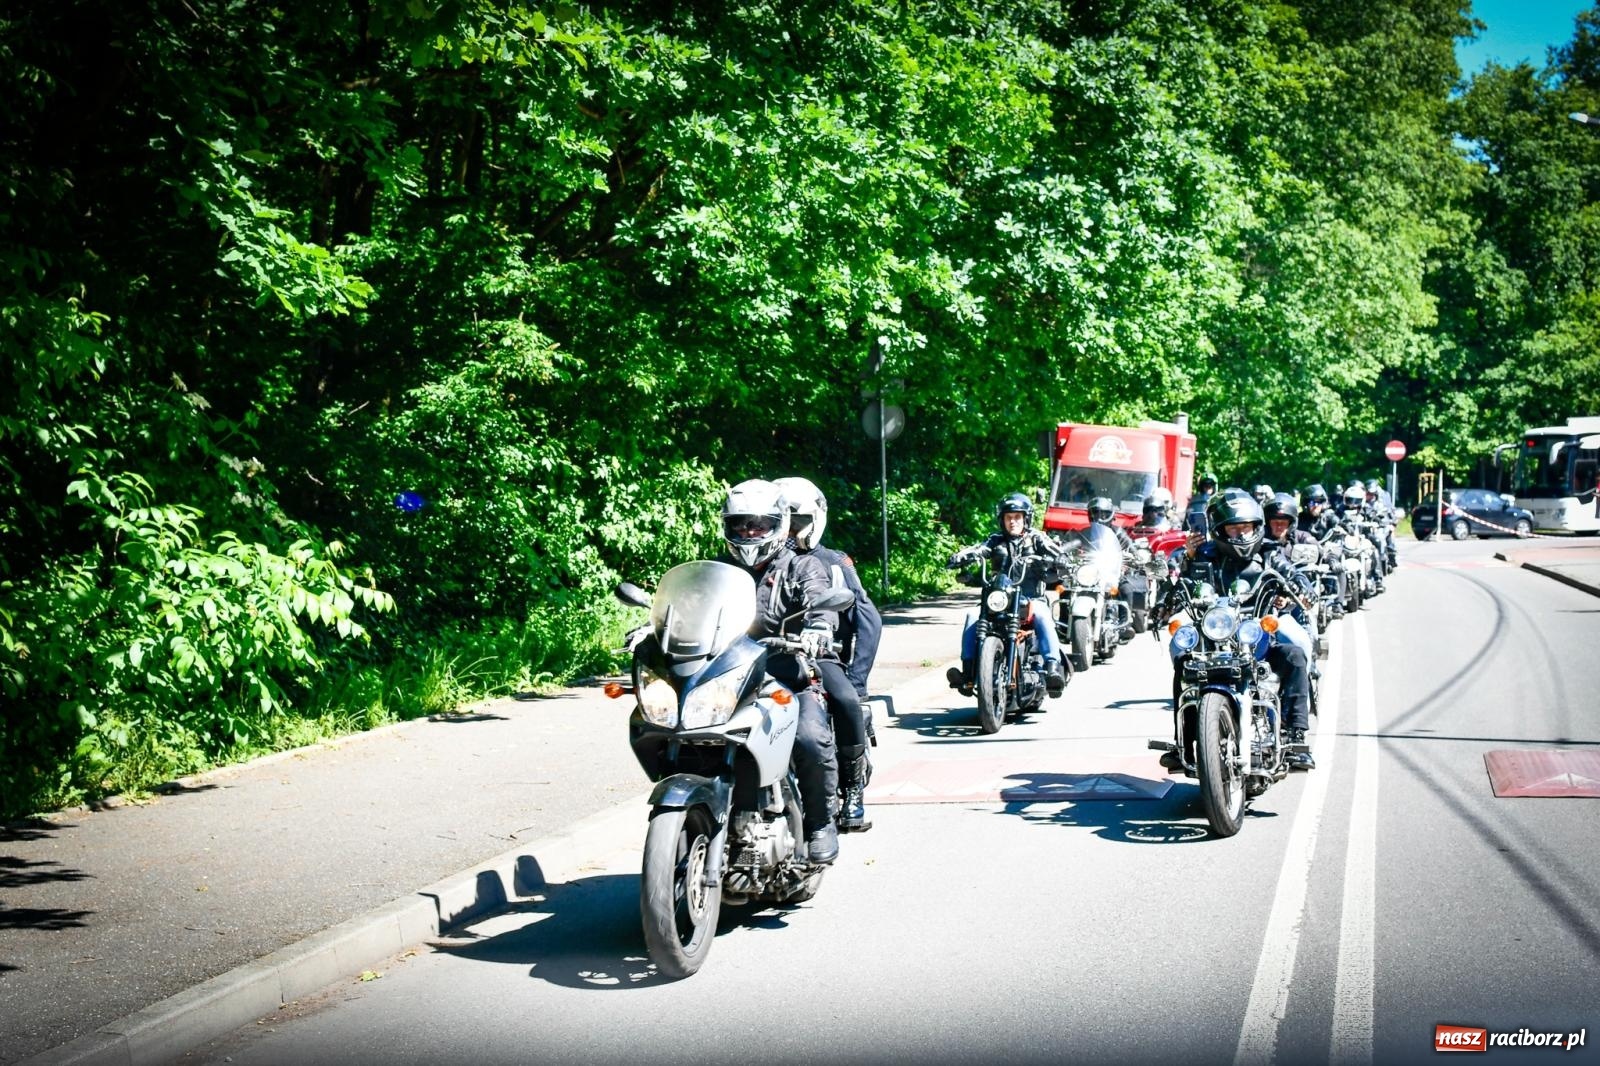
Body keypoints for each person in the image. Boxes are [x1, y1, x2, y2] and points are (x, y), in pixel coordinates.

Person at [721, 479, 844, 863]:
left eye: (758, 525)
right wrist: (661, 623)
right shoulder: (719, 570)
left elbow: (820, 600)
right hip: (728, 682)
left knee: (810, 737)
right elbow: (693, 601)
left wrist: (818, 627)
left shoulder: (800, 565)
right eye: (741, 524)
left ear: (778, 524)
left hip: (785, 677)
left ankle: (821, 823)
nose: (749, 533)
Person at [1169, 493, 1316, 770]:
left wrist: (1301, 587)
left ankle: (1296, 737)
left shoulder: (1268, 552)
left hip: (1257, 632)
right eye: (1233, 528)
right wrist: (1185, 563)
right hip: (1215, 637)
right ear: (1219, 529)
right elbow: (1181, 582)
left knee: (1296, 653)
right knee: (1182, 662)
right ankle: (1184, 744)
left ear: (1256, 526)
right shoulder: (1204, 554)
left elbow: (1291, 573)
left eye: (1246, 527)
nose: (1241, 534)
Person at [773, 476, 882, 834]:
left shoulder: (833, 562)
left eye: (798, 522)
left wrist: (858, 679)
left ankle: (852, 792)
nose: (790, 531)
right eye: (783, 522)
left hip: (818, 656)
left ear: (816, 519)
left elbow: (868, 620)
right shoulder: (762, 561)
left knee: (846, 701)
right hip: (760, 657)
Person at [946, 493, 1070, 697]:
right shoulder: (995, 540)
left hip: (1030, 600)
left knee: (1042, 614)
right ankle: (968, 672)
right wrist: (961, 556)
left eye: (1017, 517)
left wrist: (1061, 559)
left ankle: (1052, 667)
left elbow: (1056, 551)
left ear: (1026, 519)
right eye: (1008, 517)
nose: (1013, 522)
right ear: (1002, 520)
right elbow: (979, 549)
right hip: (999, 599)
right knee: (972, 617)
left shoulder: (1037, 538)